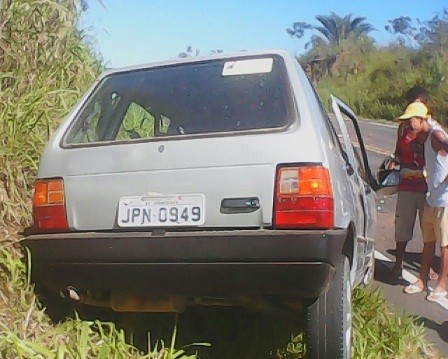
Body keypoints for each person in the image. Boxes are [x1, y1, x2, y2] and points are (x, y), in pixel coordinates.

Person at [402, 102, 448, 301]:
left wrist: (444, 182)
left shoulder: (437, 135)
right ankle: (422, 280)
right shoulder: (427, 137)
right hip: (432, 197)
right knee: (428, 242)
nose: (408, 126)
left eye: (411, 121)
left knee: (444, 245)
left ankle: (442, 285)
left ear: (421, 120)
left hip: (444, 201)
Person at [389, 87, 435, 279]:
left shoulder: (432, 132)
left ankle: (428, 267)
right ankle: (398, 263)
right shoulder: (403, 129)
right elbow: (398, 152)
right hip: (407, 185)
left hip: (427, 188)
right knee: (402, 226)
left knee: (429, 231)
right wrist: (394, 162)